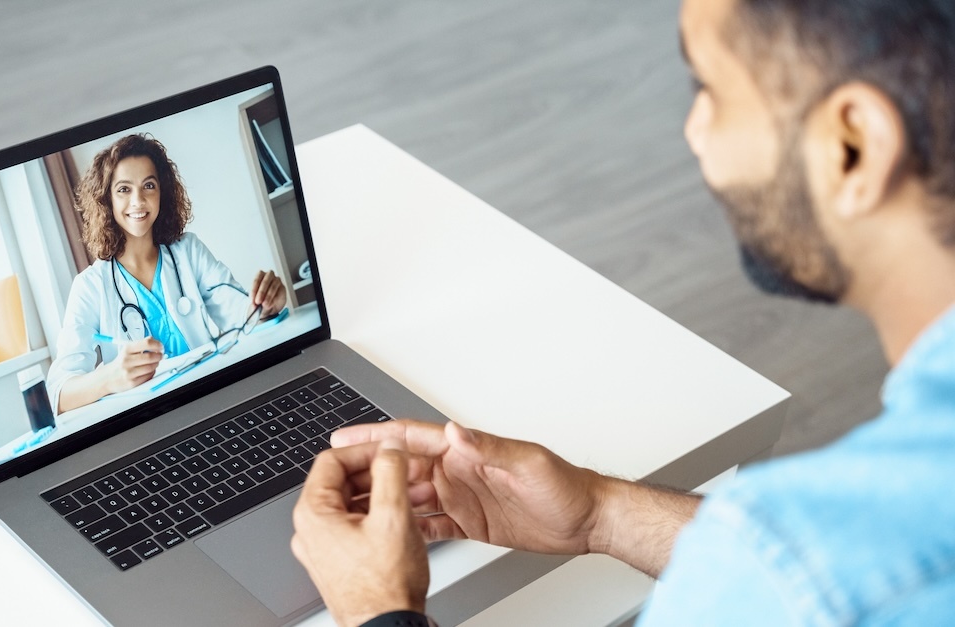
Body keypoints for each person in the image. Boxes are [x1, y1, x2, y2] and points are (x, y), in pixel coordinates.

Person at [290, 0, 955, 624]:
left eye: (711, 92)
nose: (694, 133)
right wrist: (599, 513)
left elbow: (795, 576)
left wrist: (381, 608)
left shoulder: (788, 585)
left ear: (853, 146)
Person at [48, 134, 287, 414]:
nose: (138, 201)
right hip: (148, 422)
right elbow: (59, 394)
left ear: (163, 192)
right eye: (124, 189)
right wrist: (111, 377)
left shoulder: (188, 251)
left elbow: (243, 315)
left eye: (148, 185)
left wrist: (267, 305)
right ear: (106, 200)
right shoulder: (89, 286)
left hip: (213, 399)